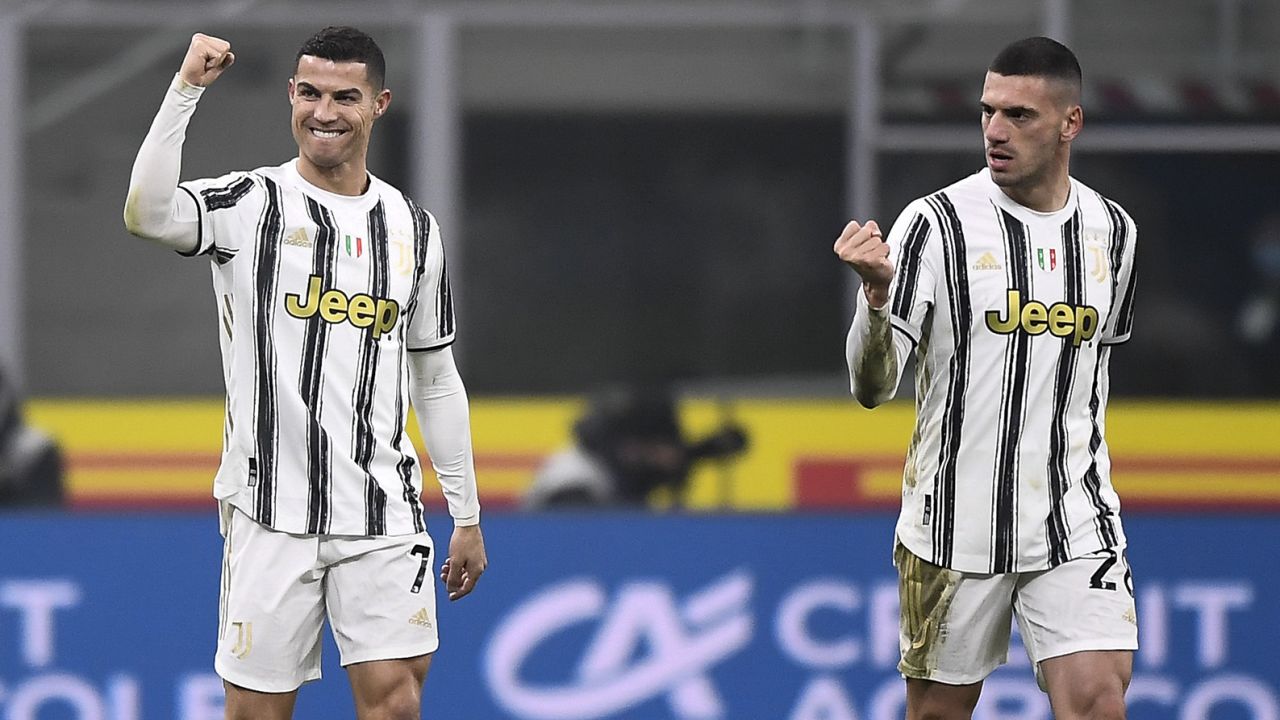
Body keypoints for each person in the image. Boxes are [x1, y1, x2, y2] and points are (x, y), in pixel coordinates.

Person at [123, 27, 487, 719]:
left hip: (380, 508)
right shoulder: (249, 202)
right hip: (268, 511)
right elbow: (146, 215)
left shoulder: (414, 229)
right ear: (291, 95)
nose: (325, 112)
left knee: (396, 703)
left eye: (345, 97)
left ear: (378, 104)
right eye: (311, 93)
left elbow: (435, 376)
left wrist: (465, 513)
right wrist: (185, 90)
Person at [835, 37, 1137, 719]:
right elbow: (871, 388)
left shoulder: (1114, 233)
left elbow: (1092, 376)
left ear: (1070, 123)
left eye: (1020, 115)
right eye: (987, 111)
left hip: (1073, 518)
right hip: (954, 525)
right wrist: (877, 301)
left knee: (1097, 700)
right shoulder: (933, 225)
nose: (995, 131)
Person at [525, 387, 747, 509]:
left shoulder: (636, 475)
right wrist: (646, 454)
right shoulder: (576, 471)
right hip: (571, 492)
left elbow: (675, 460)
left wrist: (703, 450)